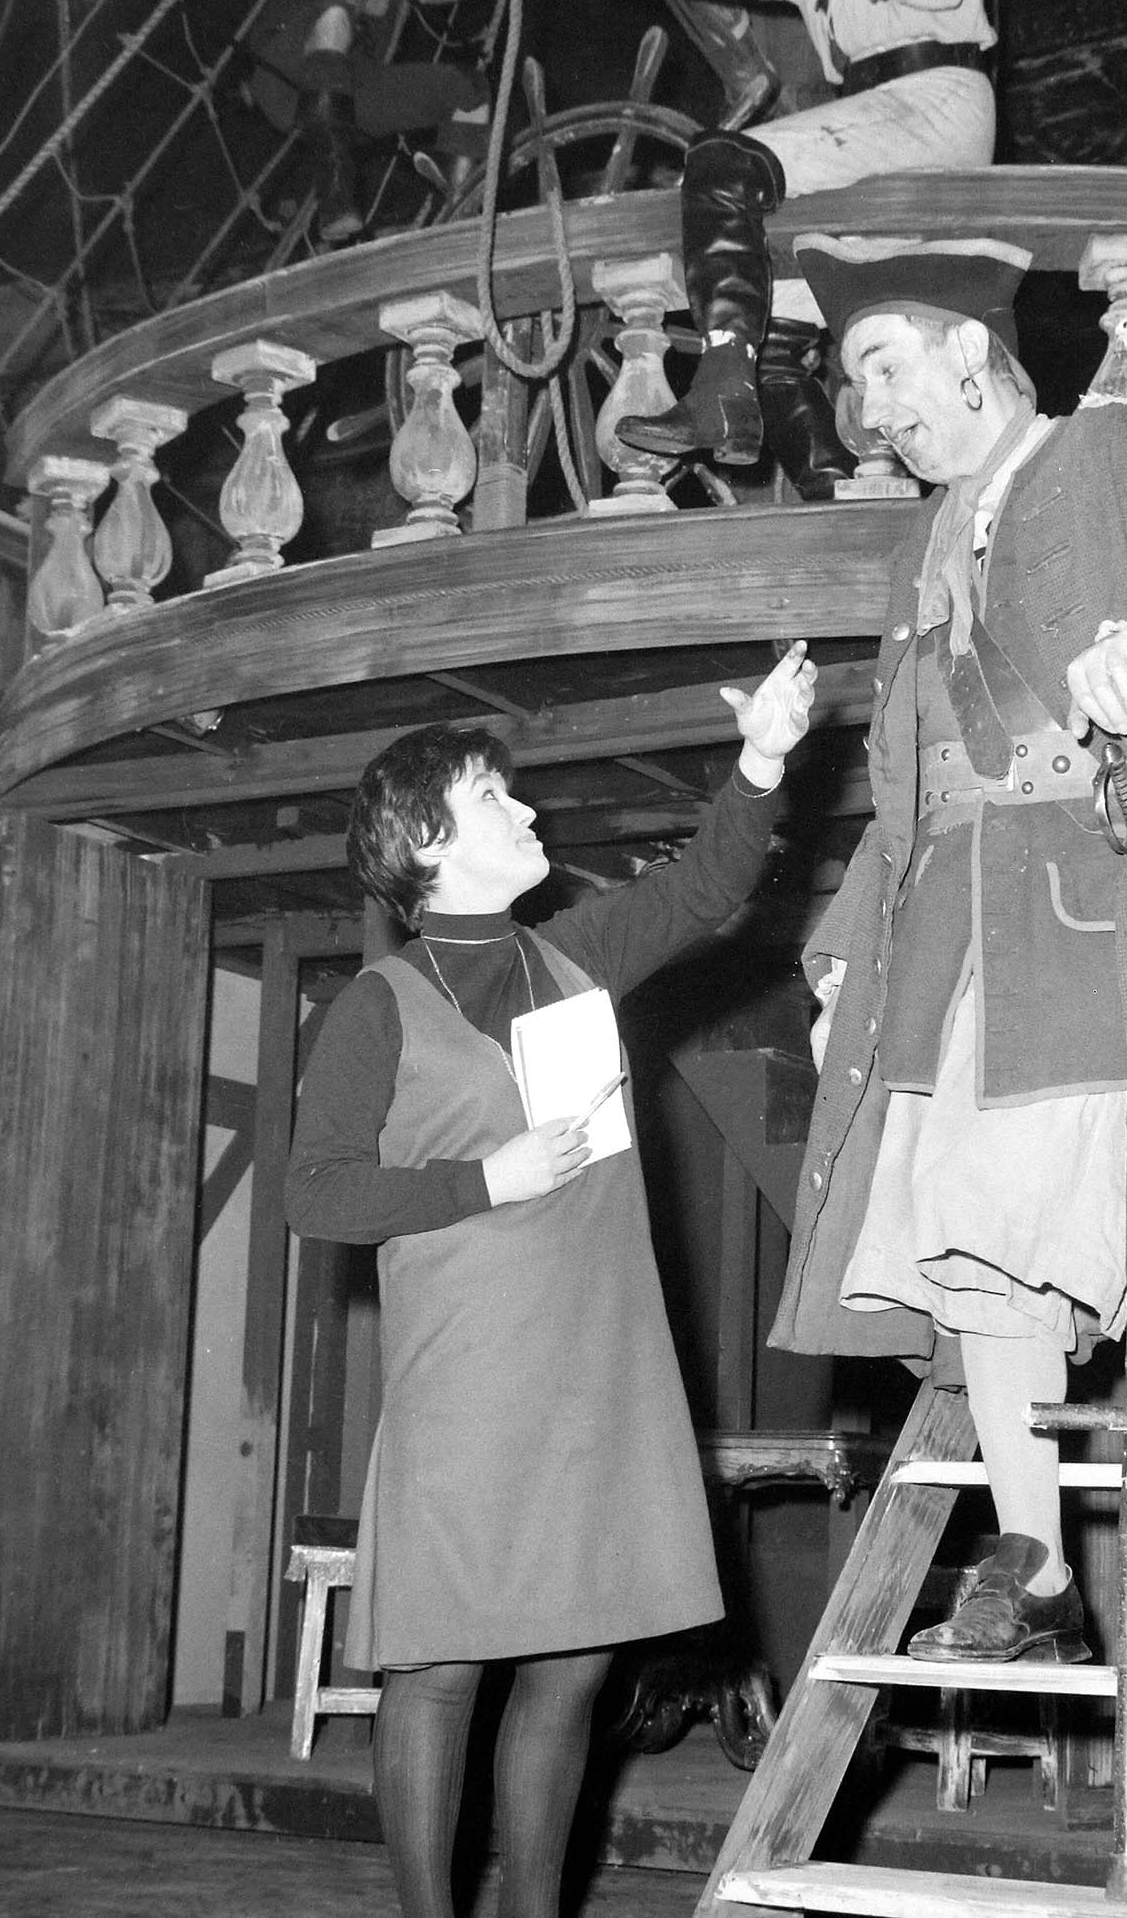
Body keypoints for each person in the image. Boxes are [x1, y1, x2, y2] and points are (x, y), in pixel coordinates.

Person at [767, 235, 1127, 1660]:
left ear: (973, 348)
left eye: (882, 369)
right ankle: (1031, 1559)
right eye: (855, 387)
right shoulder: (929, 532)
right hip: (956, 926)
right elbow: (912, 774)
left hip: (1102, 906)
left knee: (1015, 1206)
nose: (867, 412)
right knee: (964, 1233)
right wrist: (849, 933)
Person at [284, 641, 816, 1918]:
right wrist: (485, 1179)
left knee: (576, 1662)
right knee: (445, 1665)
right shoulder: (378, 1003)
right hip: (468, 1371)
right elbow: (317, 1190)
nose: (530, 812)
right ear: (424, 840)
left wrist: (763, 760)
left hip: (601, 1356)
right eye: (494, 801)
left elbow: (709, 887)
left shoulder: (572, 952)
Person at [595, 0, 996, 497]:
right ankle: (832, 492)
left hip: (937, 100)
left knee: (720, 162)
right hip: (878, 117)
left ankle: (720, 388)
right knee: (765, 332)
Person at [246, 0, 497, 246]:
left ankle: (460, 210)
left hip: (350, 97)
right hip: (284, 72)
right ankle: (335, 196)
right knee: (335, 17)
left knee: (467, 89)